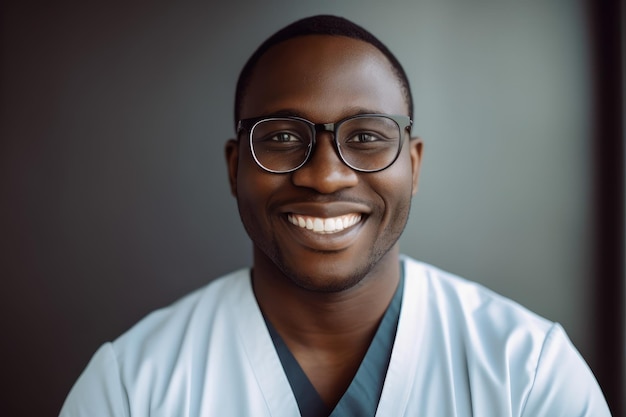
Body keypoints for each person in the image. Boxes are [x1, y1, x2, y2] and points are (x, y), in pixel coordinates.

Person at [59, 15, 611, 417]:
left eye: (367, 136)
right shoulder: (132, 387)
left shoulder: (529, 374)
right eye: (280, 138)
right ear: (234, 168)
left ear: (413, 166)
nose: (324, 177)